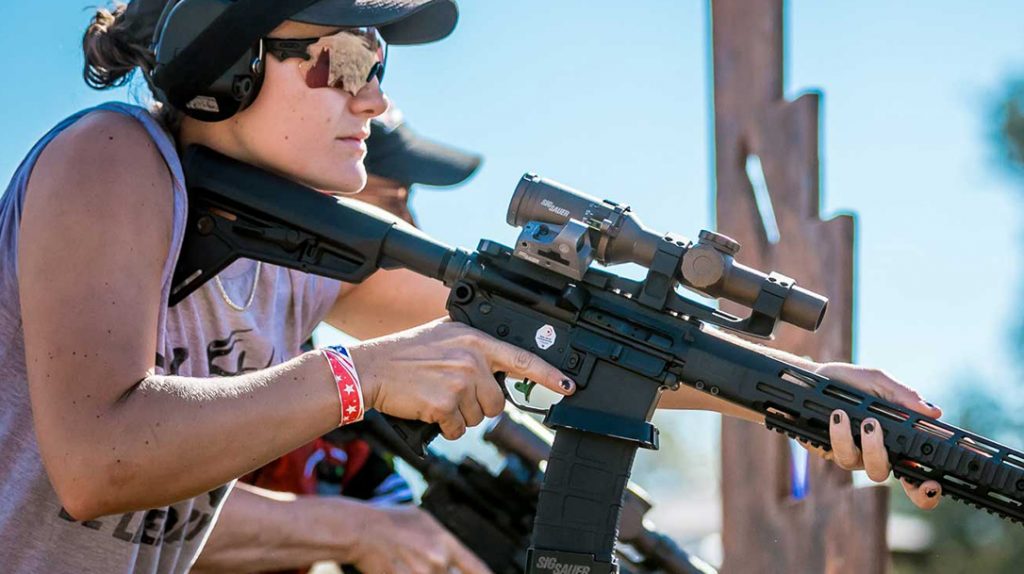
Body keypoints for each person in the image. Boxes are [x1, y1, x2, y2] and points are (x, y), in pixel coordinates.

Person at [0, 2, 941, 574]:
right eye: (347, 60)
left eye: (381, 66)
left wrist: (803, 394)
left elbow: (567, 348)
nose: (374, 98)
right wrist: (360, 378)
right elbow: (96, 462)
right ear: (230, 59)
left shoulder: (289, 245)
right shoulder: (115, 158)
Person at [194, 106, 484, 574]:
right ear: (326, 195)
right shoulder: (183, 324)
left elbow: (387, 506)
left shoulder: (336, 415)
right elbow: (129, 504)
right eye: (396, 200)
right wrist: (359, 533)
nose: (413, 226)